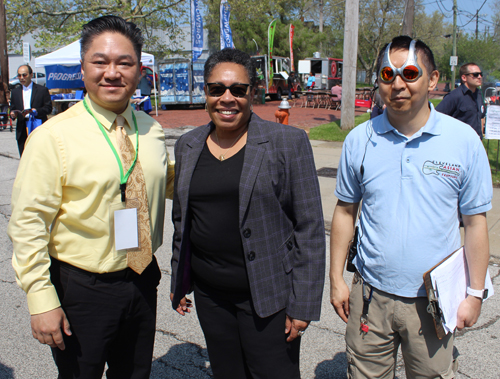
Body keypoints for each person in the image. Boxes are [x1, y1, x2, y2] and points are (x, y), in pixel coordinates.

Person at [8, 15, 175, 379]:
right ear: (83, 69)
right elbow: (28, 223)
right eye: (100, 62)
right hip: (82, 288)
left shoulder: (152, 129)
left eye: (124, 63)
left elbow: (169, 181)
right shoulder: (53, 138)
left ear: (139, 71)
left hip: (142, 277)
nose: (112, 72)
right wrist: (41, 300)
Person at [330, 36, 492, 378]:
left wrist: (475, 294)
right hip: (370, 294)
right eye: (388, 75)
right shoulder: (360, 140)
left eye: (410, 73)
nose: (398, 84)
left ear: (432, 80)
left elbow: (475, 223)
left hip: (432, 301)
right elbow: (345, 211)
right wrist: (336, 279)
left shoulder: (463, 142)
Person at [170, 48, 325, 379]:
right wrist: (178, 277)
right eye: (217, 89)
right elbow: (183, 220)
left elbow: (309, 228)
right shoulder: (187, 145)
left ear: (252, 93)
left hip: (269, 297)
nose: (227, 98)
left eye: (238, 90)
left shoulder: (287, 142)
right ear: (206, 92)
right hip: (211, 297)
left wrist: (303, 305)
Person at [9, 64, 52, 156]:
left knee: (39, 154)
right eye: (19, 75)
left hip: (37, 124)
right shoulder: (15, 92)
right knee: (24, 155)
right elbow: (13, 108)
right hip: (22, 126)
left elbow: (48, 108)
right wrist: (13, 114)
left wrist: (35, 111)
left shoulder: (42, 90)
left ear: (31, 75)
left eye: (24, 75)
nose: (21, 78)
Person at [436, 62, 485, 139]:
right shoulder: (454, 96)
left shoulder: (479, 94)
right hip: (459, 143)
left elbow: (481, 117)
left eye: (480, 74)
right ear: (464, 78)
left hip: (476, 143)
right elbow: (436, 118)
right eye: (475, 74)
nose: (479, 77)